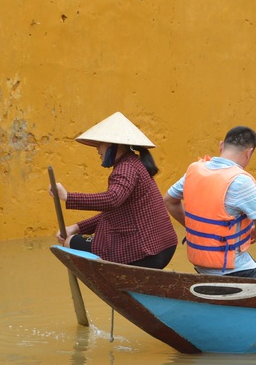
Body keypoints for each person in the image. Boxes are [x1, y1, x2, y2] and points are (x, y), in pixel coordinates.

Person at [50, 112, 178, 268]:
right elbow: (114, 212)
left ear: (114, 146)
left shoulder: (126, 168)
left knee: (70, 242)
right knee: (75, 238)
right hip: (162, 247)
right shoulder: (133, 164)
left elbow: (112, 199)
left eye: (100, 144)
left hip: (147, 251)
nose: (97, 149)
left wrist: (68, 197)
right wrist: (77, 227)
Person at [164, 126, 256, 279]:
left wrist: (198, 229)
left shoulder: (194, 171)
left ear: (221, 146)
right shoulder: (241, 181)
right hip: (234, 269)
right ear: (249, 153)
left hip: (200, 265)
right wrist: (253, 234)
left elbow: (169, 200)